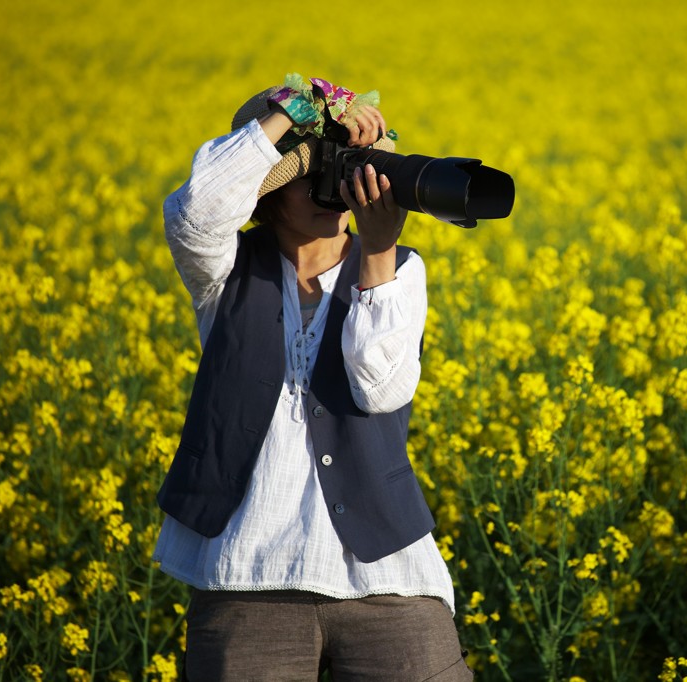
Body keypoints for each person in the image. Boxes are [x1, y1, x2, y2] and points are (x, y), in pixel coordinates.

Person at [153, 73, 473, 681]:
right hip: (248, 576)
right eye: (312, 172)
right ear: (267, 193)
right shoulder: (225, 273)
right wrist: (293, 111)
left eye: (344, 169)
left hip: (388, 580)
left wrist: (378, 249)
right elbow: (196, 211)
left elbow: (379, 389)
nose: (334, 188)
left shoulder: (400, 270)